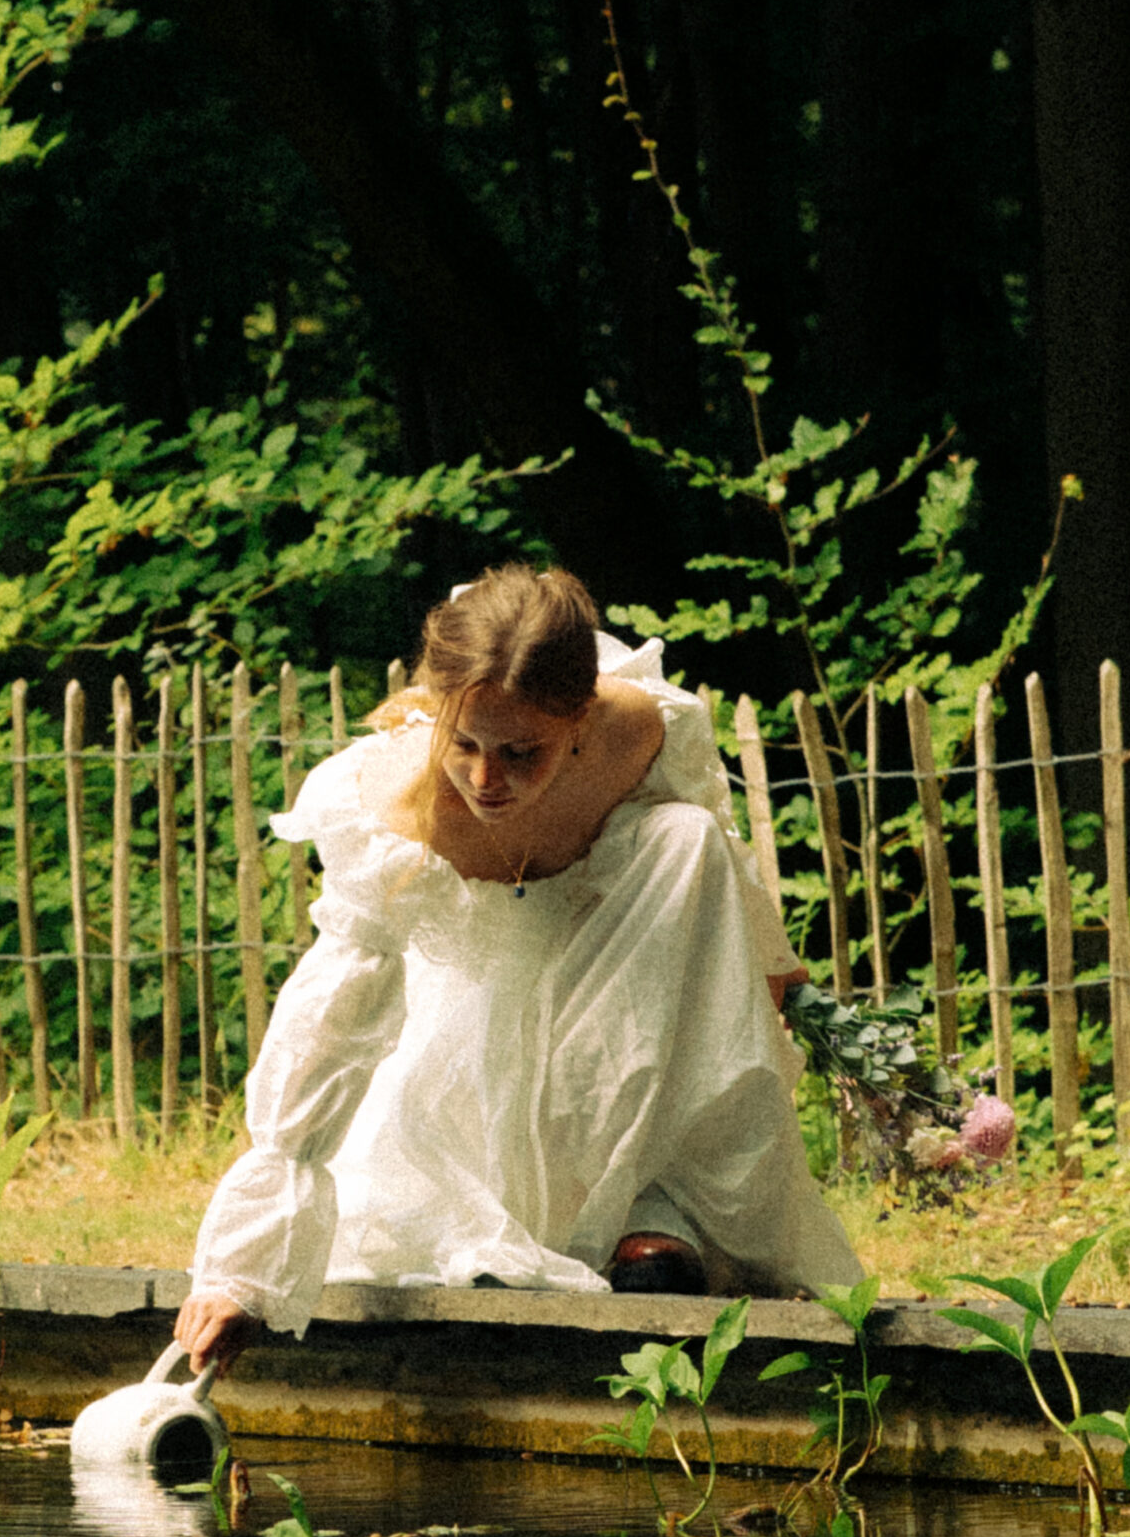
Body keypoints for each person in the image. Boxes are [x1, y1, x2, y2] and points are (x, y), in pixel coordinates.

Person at [175, 562, 863, 1376]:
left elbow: (720, 860)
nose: (485, 779)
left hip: (608, 967)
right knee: (440, 1191)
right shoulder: (397, 814)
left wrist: (774, 968)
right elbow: (332, 1016)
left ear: (579, 721)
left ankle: (656, 1213)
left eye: (520, 752)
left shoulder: (636, 730)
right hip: (474, 988)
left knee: (685, 837)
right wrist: (245, 1267)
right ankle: (556, 1222)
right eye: (464, 744)